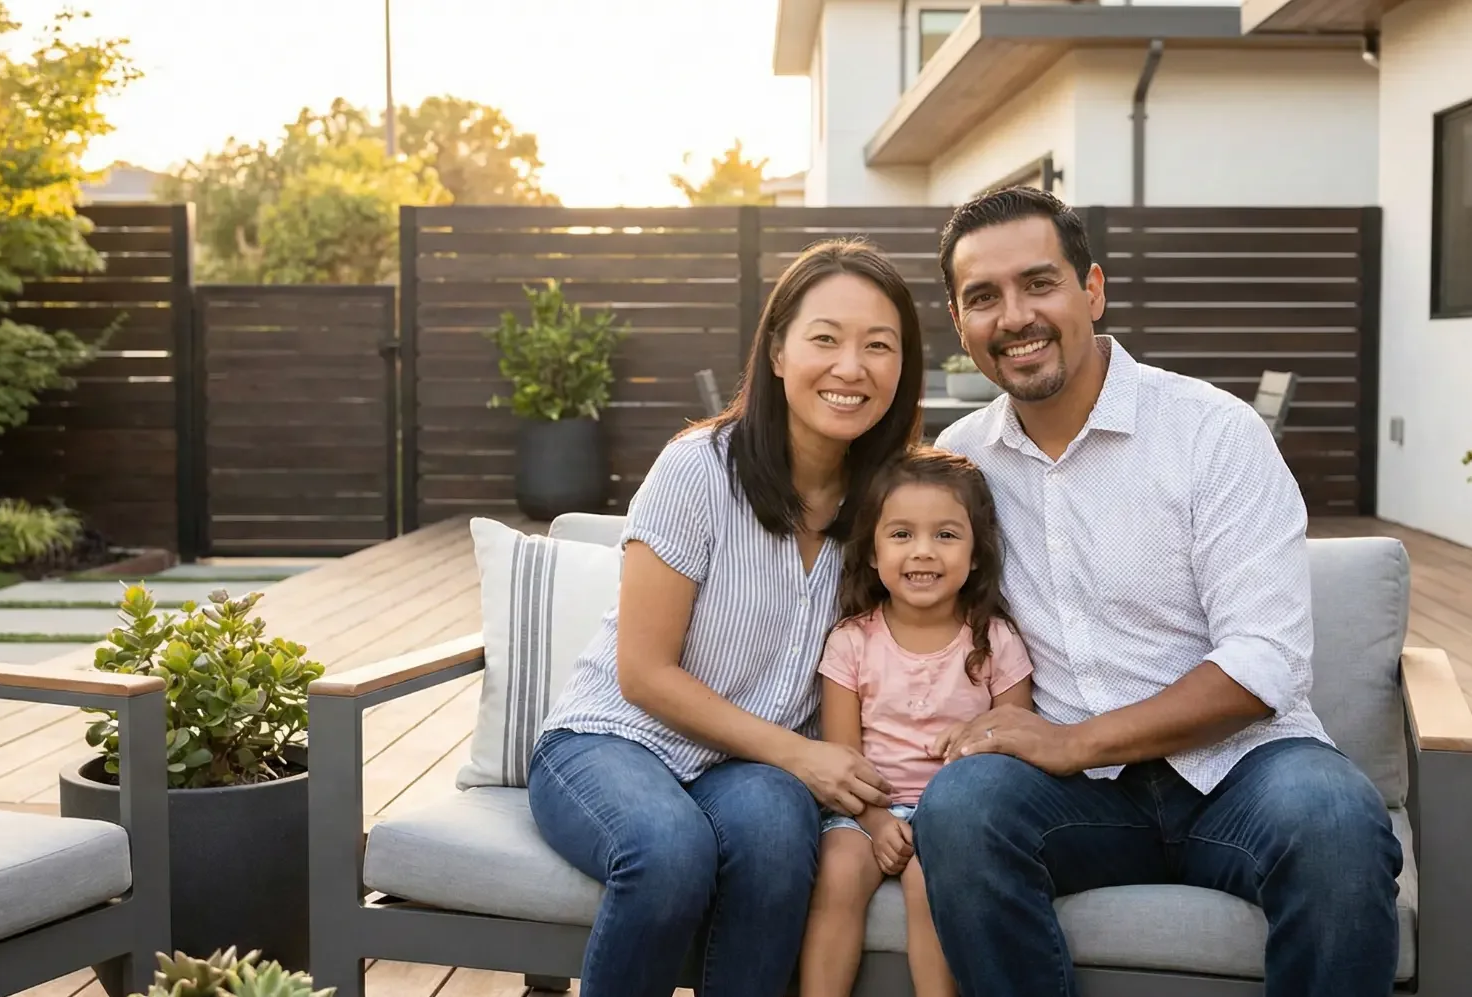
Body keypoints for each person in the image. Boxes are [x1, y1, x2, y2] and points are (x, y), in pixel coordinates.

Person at [911, 186, 1404, 997]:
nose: (1016, 316)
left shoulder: (1212, 433)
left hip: (1243, 770)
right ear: (961, 326)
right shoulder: (965, 461)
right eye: (983, 298)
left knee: (1335, 820)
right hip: (1077, 798)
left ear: (1092, 289)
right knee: (962, 808)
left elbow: (1263, 662)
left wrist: (1080, 740)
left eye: (1040, 283)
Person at [527, 239, 927, 997]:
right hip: (614, 739)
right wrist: (798, 755)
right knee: (668, 850)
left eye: (879, 346)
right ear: (777, 352)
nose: (852, 367)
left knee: (780, 839)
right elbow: (642, 673)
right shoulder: (698, 468)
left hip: (752, 769)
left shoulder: (890, 508)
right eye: (825, 339)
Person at [797, 446, 1035, 997]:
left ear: (976, 554)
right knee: (837, 872)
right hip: (865, 809)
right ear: (874, 552)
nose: (923, 551)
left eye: (946, 535)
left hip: (954, 820)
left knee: (931, 883)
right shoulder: (852, 641)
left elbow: (1019, 742)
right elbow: (842, 758)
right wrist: (878, 822)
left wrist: (983, 740)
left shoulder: (994, 639)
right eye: (901, 534)